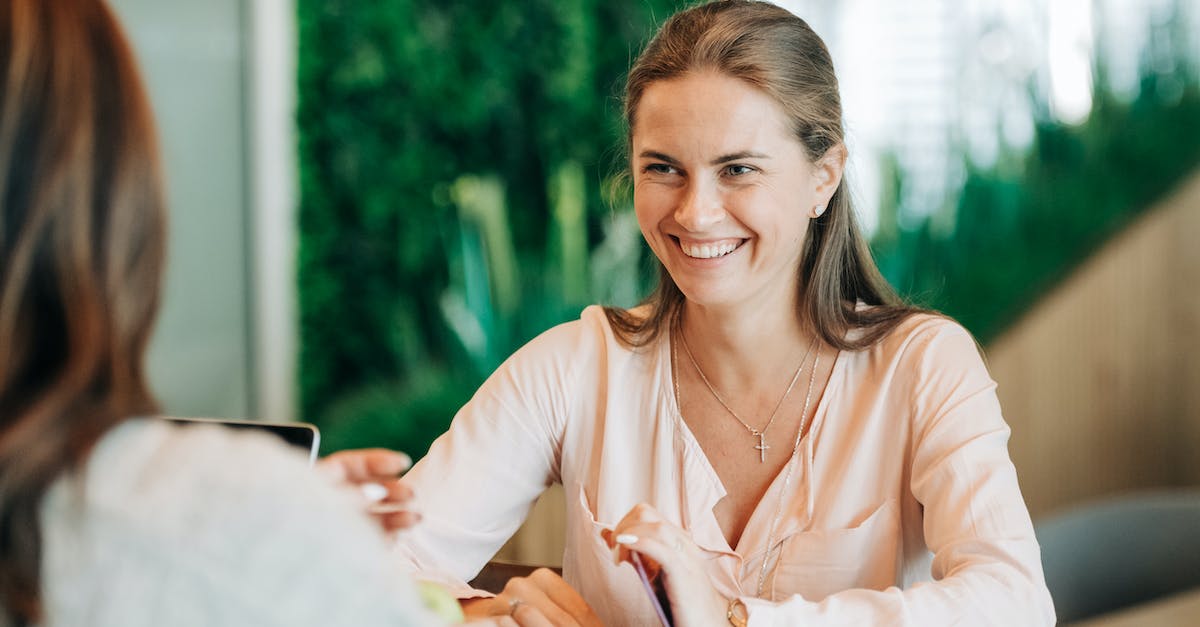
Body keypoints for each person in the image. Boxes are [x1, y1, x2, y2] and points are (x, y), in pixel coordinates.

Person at [342, 1, 1055, 625]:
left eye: (737, 168)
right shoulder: (572, 367)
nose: (695, 211)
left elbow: (1013, 601)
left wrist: (736, 619)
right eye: (663, 168)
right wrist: (477, 608)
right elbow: (372, 567)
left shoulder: (922, 365)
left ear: (823, 177)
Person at [0, 2, 504, 626]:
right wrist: (281, 530)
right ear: (113, 205)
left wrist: (291, 527)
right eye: (654, 167)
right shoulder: (211, 520)